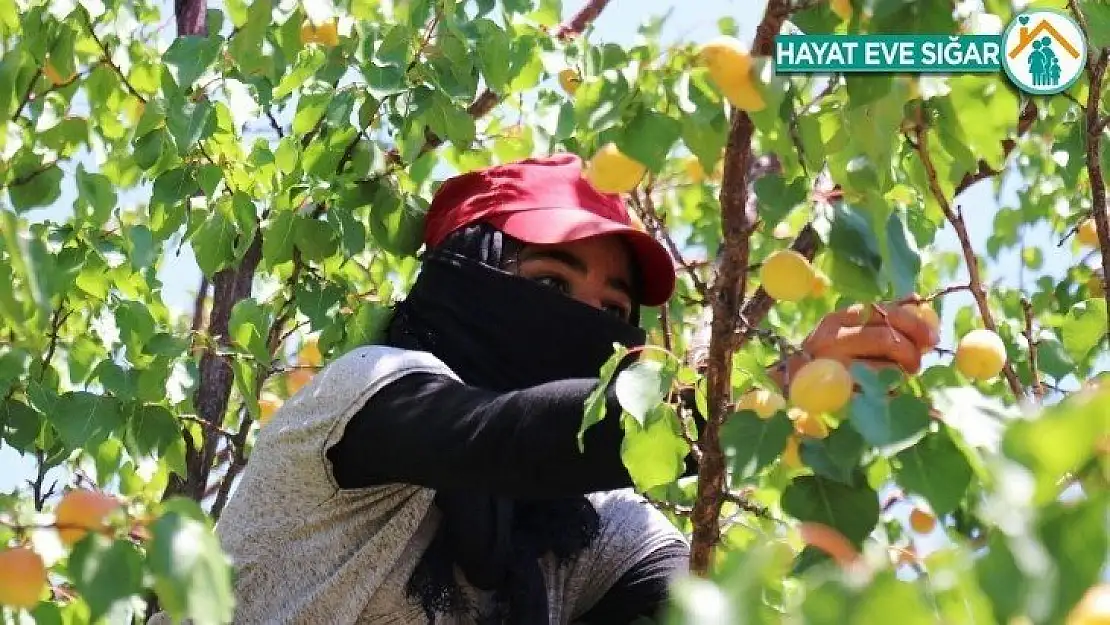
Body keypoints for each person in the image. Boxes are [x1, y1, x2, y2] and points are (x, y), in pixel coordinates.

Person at [198, 154, 937, 625]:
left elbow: (688, 592)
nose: (581, 323)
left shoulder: (591, 526)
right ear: (462, 276)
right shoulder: (364, 391)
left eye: (614, 311)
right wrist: (754, 394)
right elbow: (507, 436)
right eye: (549, 282)